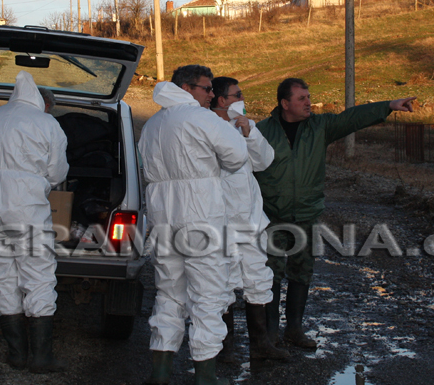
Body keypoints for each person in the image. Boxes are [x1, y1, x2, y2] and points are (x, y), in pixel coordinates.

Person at [254, 78, 415, 349]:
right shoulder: (261, 131)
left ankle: (293, 329)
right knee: (269, 273)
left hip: (306, 213)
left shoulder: (319, 126)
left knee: (301, 271)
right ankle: (269, 335)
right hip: (271, 216)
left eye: (308, 96)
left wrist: (387, 106)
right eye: (302, 98)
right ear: (285, 103)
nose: (309, 102)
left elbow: (350, 119)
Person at [139, 65, 249, 385]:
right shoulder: (202, 118)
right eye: (207, 88)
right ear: (187, 88)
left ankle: (160, 374)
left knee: (169, 294)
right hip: (201, 218)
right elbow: (237, 156)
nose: (212, 94)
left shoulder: (152, 124)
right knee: (207, 298)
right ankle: (205, 378)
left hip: (163, 220)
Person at [0, 72, 69, 373]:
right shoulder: (47, 123)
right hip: (24, 205)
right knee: (37, 274)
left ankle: (16, 354)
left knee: (0, 273)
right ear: (44, 104)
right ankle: (40, 357)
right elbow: (57, 172)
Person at [210, 77, 289, 362]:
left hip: (252, 219)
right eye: (237, 94)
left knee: (258, 279)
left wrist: (249, 133)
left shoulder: (245, 124)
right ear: (222, 100)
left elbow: (265, 160)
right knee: (225, 283)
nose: (242, 97)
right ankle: (224, 347)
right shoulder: (206, 127)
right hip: (223, 221)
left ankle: (262, 345)